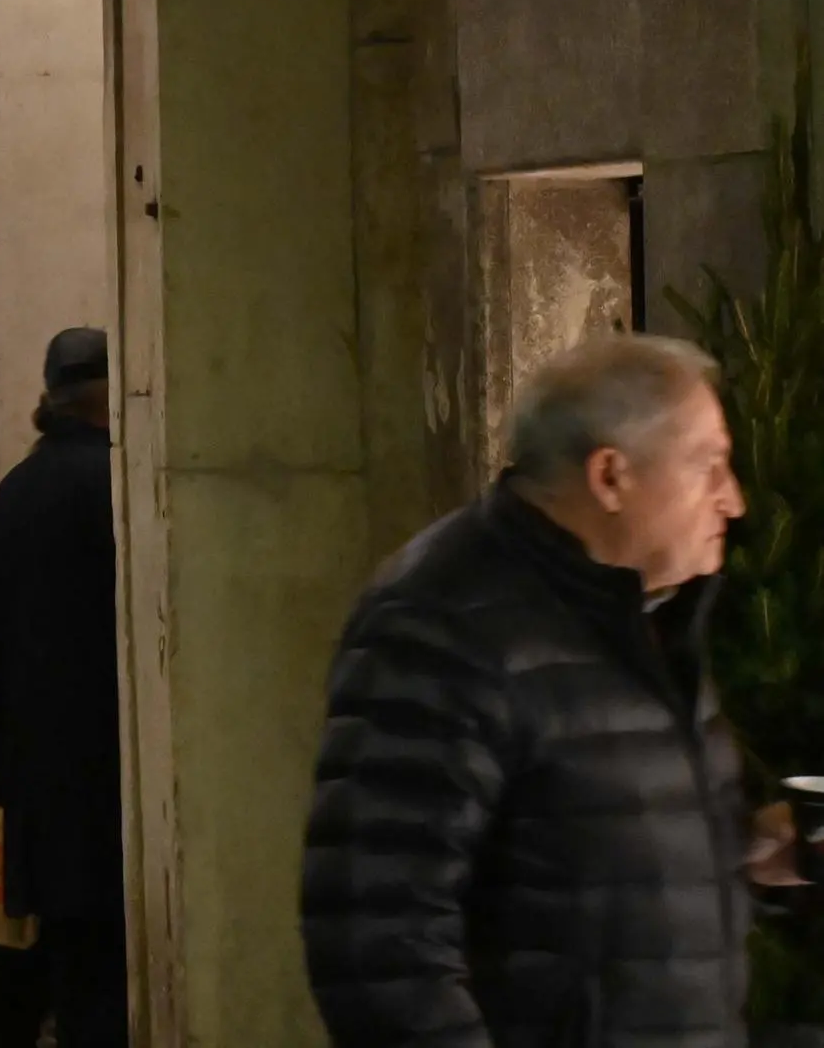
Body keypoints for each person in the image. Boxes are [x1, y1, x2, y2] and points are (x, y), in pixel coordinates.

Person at [303, 332, 767, 1048]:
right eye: (709, 466)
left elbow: (584, 857)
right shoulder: (443, 623)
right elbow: (381, 939)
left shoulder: (639, 610)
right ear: (610, 476)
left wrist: (750, 849)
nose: (731, 500)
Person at [0, 329, 120, 1048]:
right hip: (111, 760)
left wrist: (7, 718)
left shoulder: (21, 486)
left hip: (31, 759)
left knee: (22, 960)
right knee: (98, 971)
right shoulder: (123, 481)